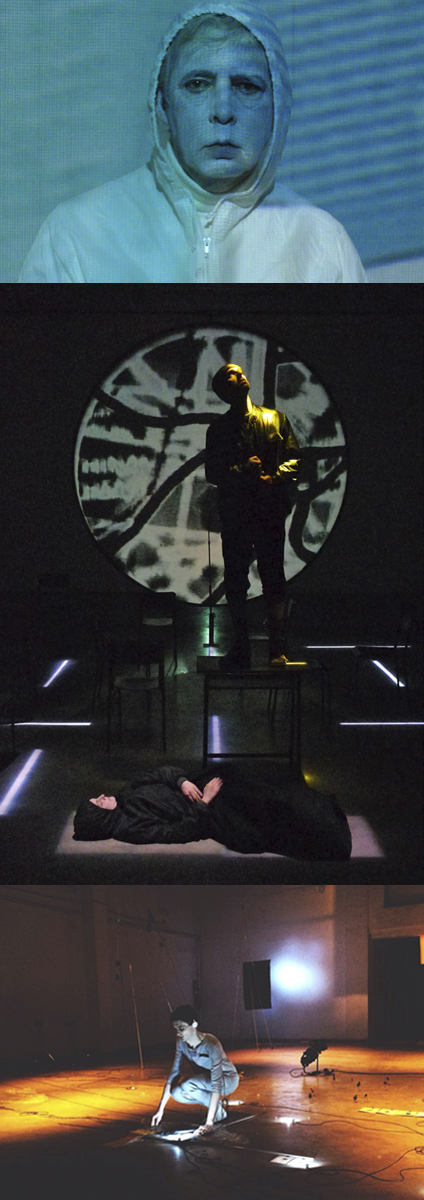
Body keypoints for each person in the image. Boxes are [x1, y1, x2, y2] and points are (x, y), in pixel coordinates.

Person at [18, 2, 366, 283]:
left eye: (247, 86)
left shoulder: (321, 242)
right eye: (198, 84)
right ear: (163, 104)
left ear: (278, 107)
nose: (223, 111)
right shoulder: (77, 234)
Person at [205, 362, 300, 670]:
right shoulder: (218, 430)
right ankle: (241, 648)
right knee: (236, 581)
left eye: (239, 370)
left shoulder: (276, 419)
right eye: (231, 373)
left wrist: (274, 478)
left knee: (274, 579)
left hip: (269, 512)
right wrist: (242, 470)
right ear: (224, 389)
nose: (240, 374)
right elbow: (212, 472)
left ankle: (277, 648)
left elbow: (295, 460)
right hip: (236, 514)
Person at [72, 762, 352, 861]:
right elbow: (177, 832)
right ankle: (331, 832)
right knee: (266, 808)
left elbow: (161, 773)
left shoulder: (125, 793)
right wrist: (205, 801)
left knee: (253, 783)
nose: (101, 796)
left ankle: (320, 811)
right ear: (102, 817)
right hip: (210, 810)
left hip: (197, 787)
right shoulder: (130, 827)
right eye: (98, 802)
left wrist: (182, 781)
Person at [151, 1005, 239, 1135]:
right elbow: (174, 1074)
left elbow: (217, 1084)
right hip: (206, 1080)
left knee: (188, 1084)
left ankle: (218, 1113)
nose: (178, 1033)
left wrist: (209, 1122)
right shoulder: (181, 1042)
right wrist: (160, 1110)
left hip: (227, 1079)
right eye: (176, 1029)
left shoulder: (211, 1043)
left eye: (182, 1029)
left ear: (194, 1024)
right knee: (176, 1092)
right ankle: (215, 1107)